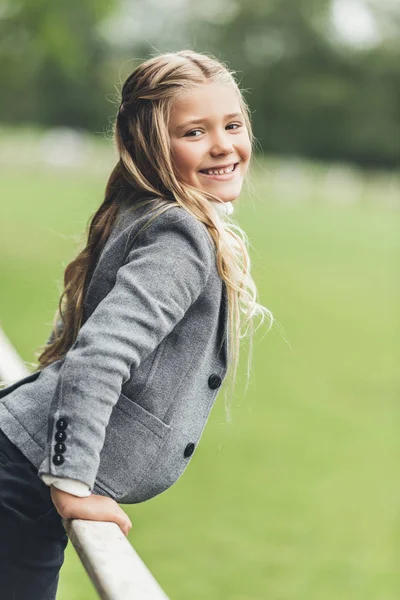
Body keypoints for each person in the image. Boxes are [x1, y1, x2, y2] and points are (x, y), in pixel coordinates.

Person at [0, 49, 273, 599]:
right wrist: (73, 481)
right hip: (23, 483)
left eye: (233, 124)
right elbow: (99, 354)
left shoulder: (148, 210)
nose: (223, 144)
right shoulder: (181, 236)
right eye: (195, 132)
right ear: (151, 145)